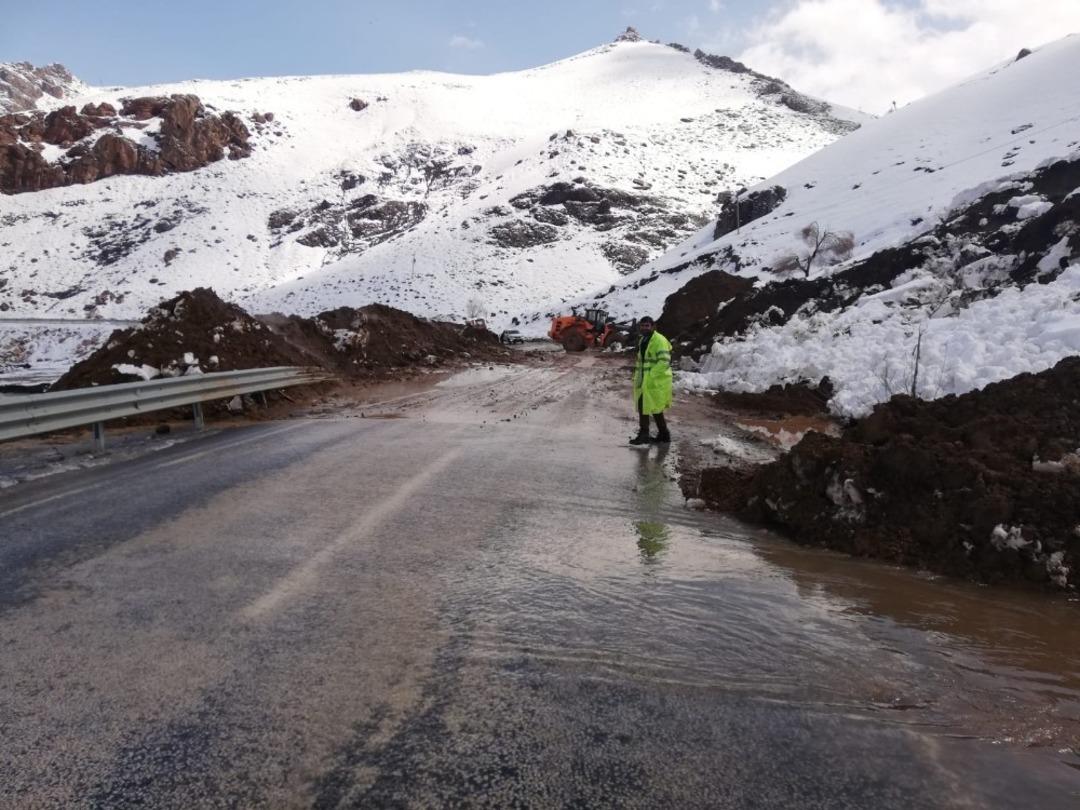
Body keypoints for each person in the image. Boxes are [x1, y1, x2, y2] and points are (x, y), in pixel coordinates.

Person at [630, 316, 672, 446]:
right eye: (642, 326)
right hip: (647, 379)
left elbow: (664, 361)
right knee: (655, 407)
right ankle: (664, 434)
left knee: (645, 406)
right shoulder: (644, 339)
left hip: (657, 380)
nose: (644, 328)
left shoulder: (659, 340)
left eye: (647, 325)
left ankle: (644, 435)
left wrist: (651, 376)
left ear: (652, 326)